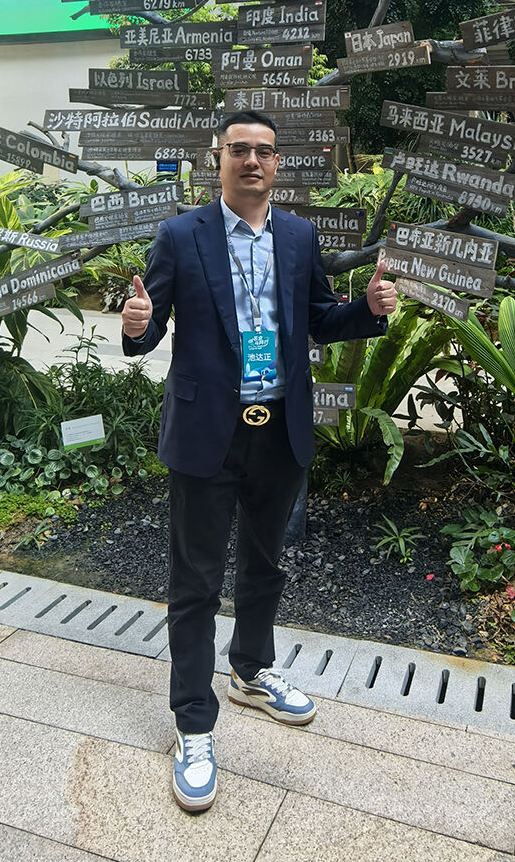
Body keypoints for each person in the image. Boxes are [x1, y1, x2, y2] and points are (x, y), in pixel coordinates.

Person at [121, 110, 397, 812]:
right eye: (239, 149)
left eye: (264, 151)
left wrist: (367, 308)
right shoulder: (181, 235)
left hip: (279, 427)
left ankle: (250, 669)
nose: (252, 160)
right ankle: (193, 722)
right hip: (206, 433)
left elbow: (321, 318)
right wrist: (137, 326)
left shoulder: (299, 236)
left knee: (266, 563)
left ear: (278, 164)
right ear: (218, 158)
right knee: (195, 581)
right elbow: (150, 327)